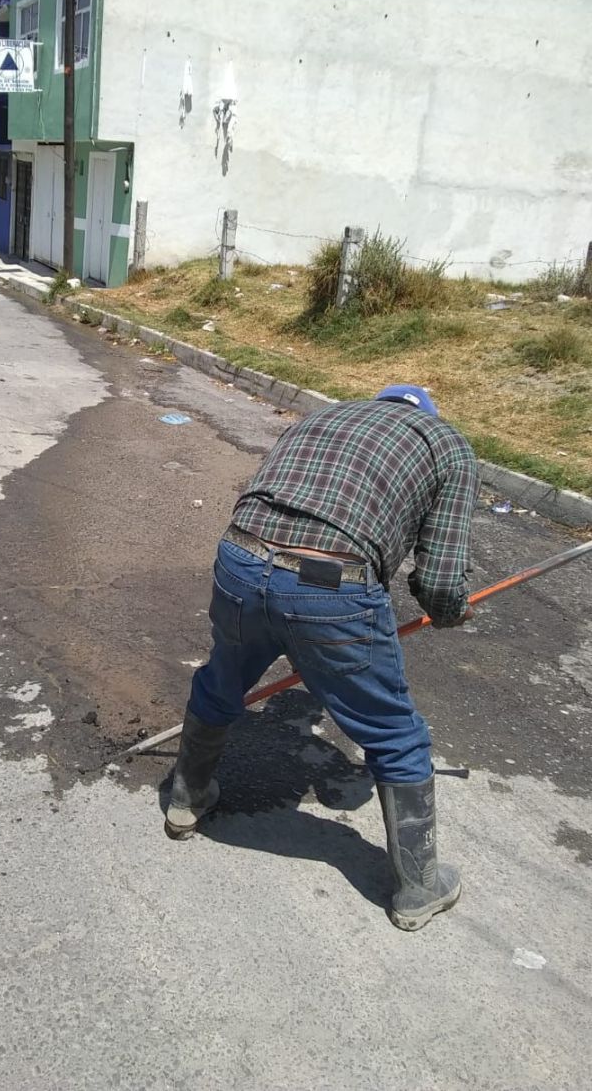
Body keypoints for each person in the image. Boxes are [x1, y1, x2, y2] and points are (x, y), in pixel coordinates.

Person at [165, 385, 480, 932]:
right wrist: (453, 611)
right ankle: (419, 888)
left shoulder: (324, 416)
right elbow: (441, 581)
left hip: (240, 556)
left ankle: (186, 801)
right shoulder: (446, 444)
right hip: (328, 585)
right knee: (393, 733)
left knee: (223, 679)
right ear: (427, 415)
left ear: (377, 405)